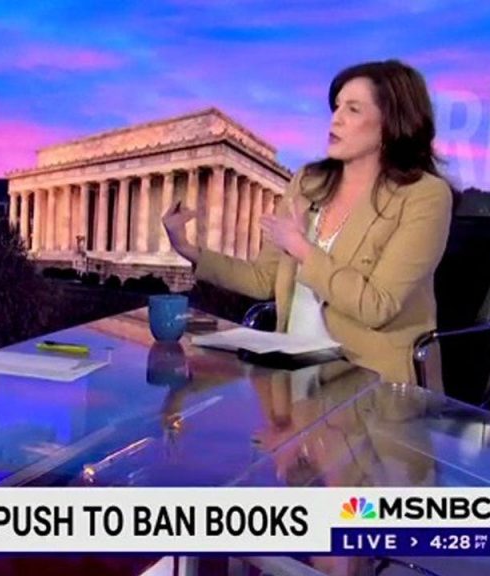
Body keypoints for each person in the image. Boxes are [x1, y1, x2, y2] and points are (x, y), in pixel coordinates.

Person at [163, 59, 453, 386]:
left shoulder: (425, 196)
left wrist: (301, 248)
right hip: (292, 374)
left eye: (353, 109)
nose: (336, 118)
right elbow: (263, 279)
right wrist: (188, 249)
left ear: (391, 123)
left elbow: (377, 307)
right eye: (337, 106)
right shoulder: (307, 182)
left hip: (372, 384)